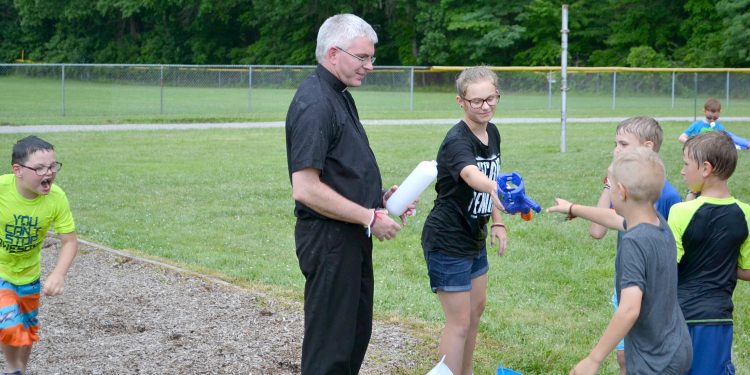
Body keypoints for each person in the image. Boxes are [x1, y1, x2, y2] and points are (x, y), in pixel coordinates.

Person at [285, 13, 411, 374]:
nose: (370, 66)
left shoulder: (340, 96)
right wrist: (369, 217)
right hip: (329, 242)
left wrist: (383, 200)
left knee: (353, 338)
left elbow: (342, 173)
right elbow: (306, 188)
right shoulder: (316, 104)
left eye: (371, 57)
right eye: (363, 57)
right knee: (329, 351)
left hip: (351, 238)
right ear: (334, 53)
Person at [548, 148, 692, 375]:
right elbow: (612, 218)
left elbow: (629, 309)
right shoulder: (657, 223)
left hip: (653, 360)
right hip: (676, 346)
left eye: (610, 183)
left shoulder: (634, 242)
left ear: (621, 191)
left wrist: (593, 360)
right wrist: (572, 208)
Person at [421, 66, 507, 375]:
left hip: (473, 237)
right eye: (477, 101)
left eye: (491, 98)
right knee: (458, 323)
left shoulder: (492, 131)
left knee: (474, 311)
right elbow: (472, 175)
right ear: (461, 102)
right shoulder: (457, 140)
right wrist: (495, 187)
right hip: (447, 239)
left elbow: (491, 175)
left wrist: (497, 221)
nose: (486, 106)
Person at [588, 116, 681, 374]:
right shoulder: (621, 190)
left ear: (648, 147)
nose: (616, 150)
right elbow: (597, 231)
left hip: (657, 294)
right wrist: (610, 181)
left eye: (623, 144)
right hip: (628, 283)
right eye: (615, 143)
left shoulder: (666, 195)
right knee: (624, 357)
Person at [668, 130, 750, 375]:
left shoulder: (680, 211)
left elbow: (669, 266)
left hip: (678, 315)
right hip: (717, 317)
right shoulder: (746, 213)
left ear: (705, 168)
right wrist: (721, 264)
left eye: (686, 164)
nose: (682, 171)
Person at [0, 135, 78, 375]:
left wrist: (59, 274)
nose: (49, 173)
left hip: (29, 275)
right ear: (18, 170)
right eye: (40, 168)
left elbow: (69, 241)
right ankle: (12, 368)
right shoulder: (2, 189)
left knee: (27, 330)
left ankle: (19, 370)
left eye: (53, 166)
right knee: (10, 323)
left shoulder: (56, 198)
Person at [678, 97, 749, 149]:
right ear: (705, 111)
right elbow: (681, 138)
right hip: (701, 149)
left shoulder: (719, 127)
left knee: (731, 137)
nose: (712, 120)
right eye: (709, 117)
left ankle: (747, 144)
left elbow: (727, 142)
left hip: (715, 149)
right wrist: (694, 144)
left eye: (715, 118)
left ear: (719, 113)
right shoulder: (697, 125)